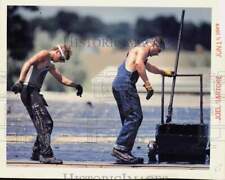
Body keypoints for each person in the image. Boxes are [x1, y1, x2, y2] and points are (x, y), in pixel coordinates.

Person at [11, 44, 83, 164]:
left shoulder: (50, 64)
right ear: (58, 52)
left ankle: (37, 152)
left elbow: (61, 79)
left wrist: (76, 86)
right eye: (62, 59)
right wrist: (20, 82)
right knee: (46, 122)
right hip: (28, 90)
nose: (61, 62)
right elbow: (28, 63)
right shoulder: (44, 54)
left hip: (34, 92)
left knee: (45, 123)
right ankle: (46, 155)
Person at [111, 36, 174, 164]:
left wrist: (163, 72)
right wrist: (147, 84)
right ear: (154, 44)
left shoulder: (137, 51)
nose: (158, 53)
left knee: (129, 118)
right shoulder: (143, 49)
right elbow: (139, 64)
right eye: (159, 50)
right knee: (135, 117)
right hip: (125, 84)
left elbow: (148, 67)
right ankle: (120, 148)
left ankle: (124, 151)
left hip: (119, 84)